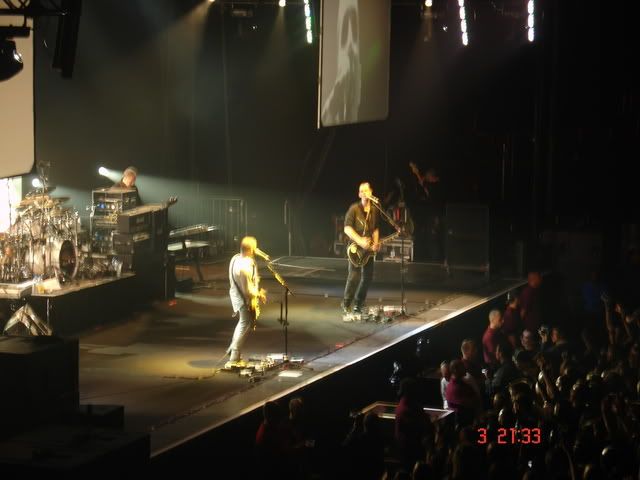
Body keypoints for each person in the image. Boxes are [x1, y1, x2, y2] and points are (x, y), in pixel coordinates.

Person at [341, 182, 379, 318]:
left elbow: (375, 228)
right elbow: (347, 228)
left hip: (368, 249)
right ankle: (346, 303)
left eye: (366, 190)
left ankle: (359, 302)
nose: (364, 193)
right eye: (361, 191)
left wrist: (375, 242)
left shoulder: (375, 209)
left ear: (371, 192)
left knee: (368, 277)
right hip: (355, 248)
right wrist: (360, 241)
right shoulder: (354, 209)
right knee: (354, 276)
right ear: (359, 194)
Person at [227, 236, 266, 364]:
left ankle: (233, 349)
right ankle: (234, 353)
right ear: (251, 249)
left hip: (235, 295)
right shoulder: (244, 267)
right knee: (245, 323)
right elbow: (246, 291)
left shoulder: (235, 258)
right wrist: (259, 294)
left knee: (242, 323)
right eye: (254, 248)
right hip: (243, 299)